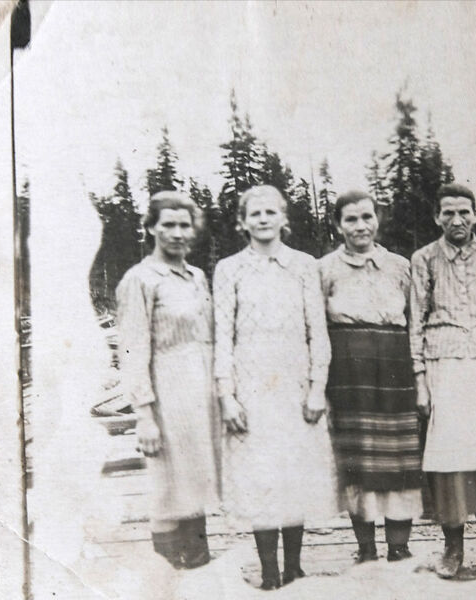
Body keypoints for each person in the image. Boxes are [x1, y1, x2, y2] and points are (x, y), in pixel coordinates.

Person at [213, 185, 336, 590]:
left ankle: (294, 570)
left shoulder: (304, 265)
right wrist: (227, 395)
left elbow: (317, 332)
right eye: (255, 213)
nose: (263, 219)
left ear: (284, 219)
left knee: (292, 476)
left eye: (271, 212)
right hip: (251, 389)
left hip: (295, 387)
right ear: (242, 222)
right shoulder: (229, 269)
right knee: (261, 478)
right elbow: (222, 336)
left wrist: (317, 387)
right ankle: (269, 574)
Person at [410, 183, 476, 578]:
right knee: (450, 461)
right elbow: (416, 321)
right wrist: (421, 378)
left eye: (464, 212)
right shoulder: (424, 259)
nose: (457, 220)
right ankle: (453, 547)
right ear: (437, 217)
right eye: (448, 213)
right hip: (445, 367)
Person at [115, 191, 221, 569]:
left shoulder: (197, 277)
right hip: (166, 395)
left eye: (184, 225)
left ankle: (197, 566)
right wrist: (144, 416)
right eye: (168, 225)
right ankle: (165, 575)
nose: (177, 233)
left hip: (201, 394)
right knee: (167, 487)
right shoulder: (139, 279)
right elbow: (132, 350)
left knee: (193, 484)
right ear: (151, 229)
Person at [319, 191, 424, 563]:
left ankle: (399, 547)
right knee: (357, 461)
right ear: (338, 225)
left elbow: (415, 321)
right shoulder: (324, 269)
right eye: (351, 219)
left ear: (378, 220)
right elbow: (317, 327)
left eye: (367, 217)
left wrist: (418, 375)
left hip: (394, 368)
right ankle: (366, 549)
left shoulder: (400, 266)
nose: (360, 226)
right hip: (347, 372)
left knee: (398, 459)